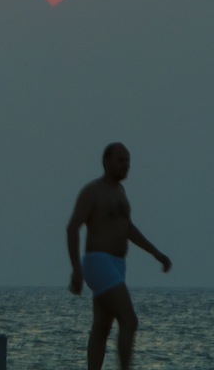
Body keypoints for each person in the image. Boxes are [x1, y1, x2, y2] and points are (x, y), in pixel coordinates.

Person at [66, 142, 172, 370]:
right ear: (106, 162)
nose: (126, 165)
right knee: (129, 320)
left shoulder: (120, 192)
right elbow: (72, 227)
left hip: (117, 265)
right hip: (98, 262)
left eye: (128, 161)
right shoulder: (92, 191)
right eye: (120, 160)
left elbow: (128, 228)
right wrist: (76, 269)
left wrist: (156, 253)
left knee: (101, 328)